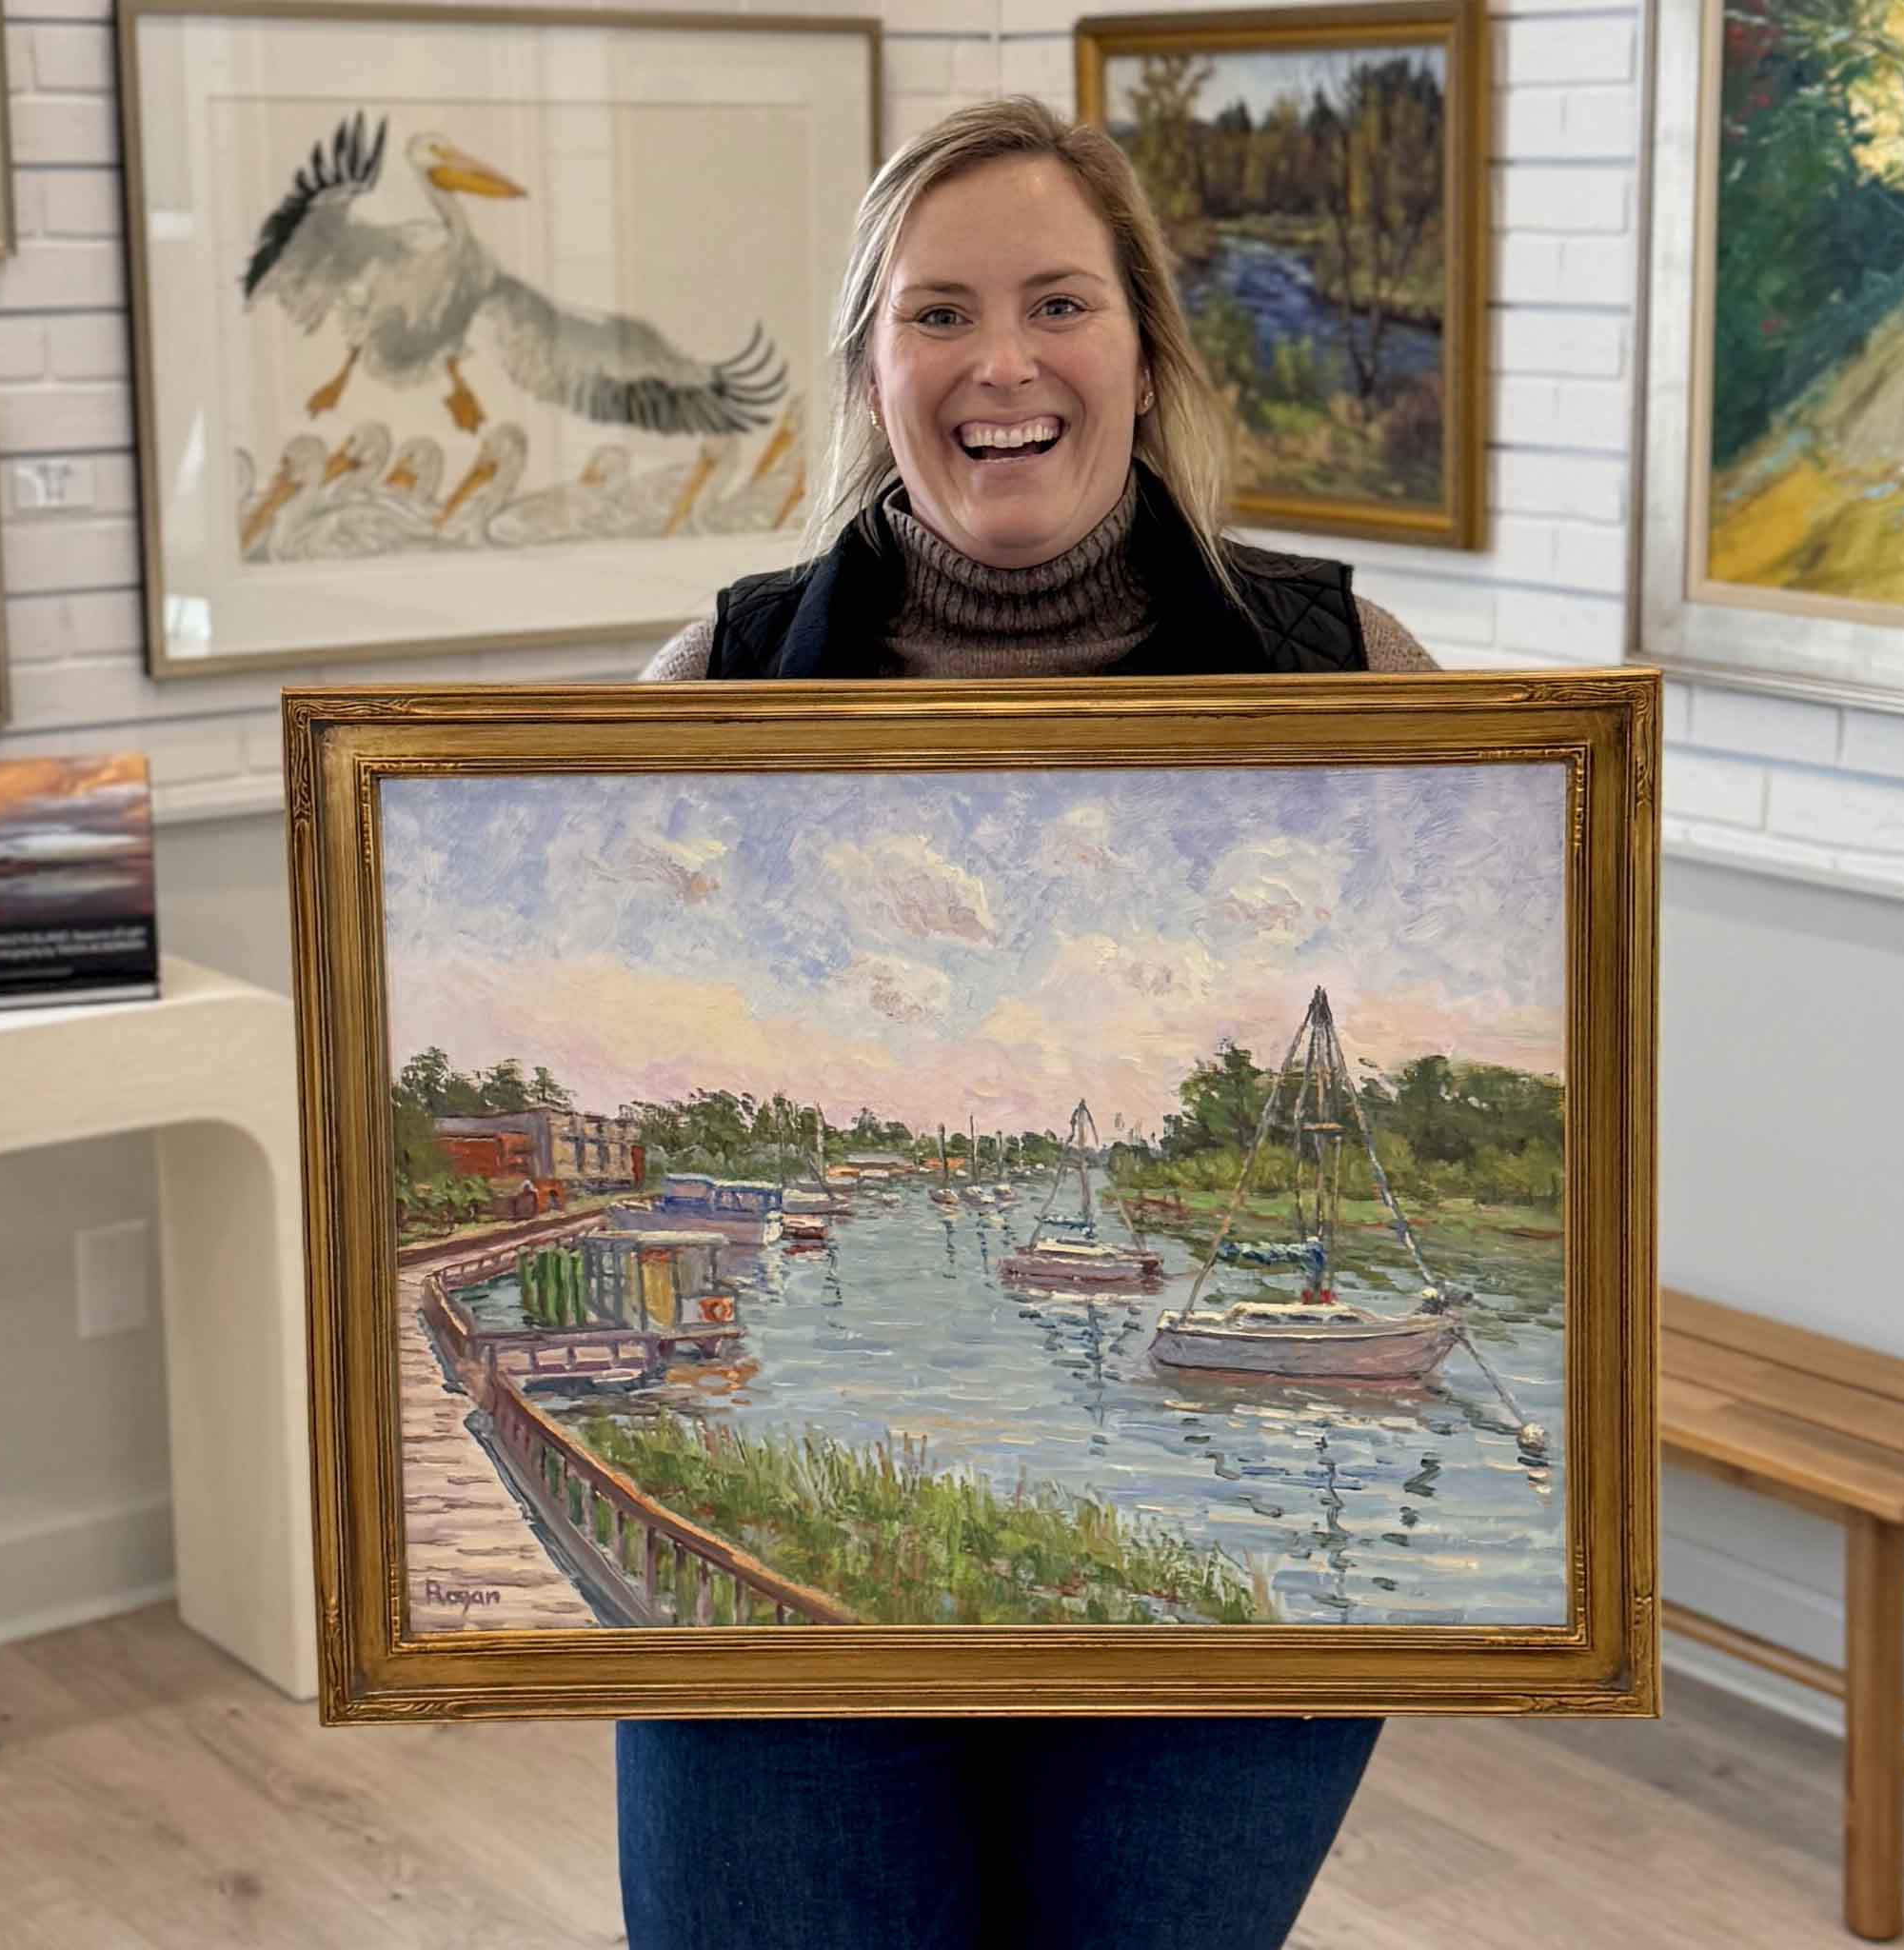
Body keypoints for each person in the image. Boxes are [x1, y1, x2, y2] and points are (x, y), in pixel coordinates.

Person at [622, 95, 1428, 1950]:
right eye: (939, 314)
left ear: (1146, 352)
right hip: (778, 1621)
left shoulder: (1349, 671)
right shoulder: (716, 682)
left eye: (1060, 303)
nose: (1003, 364)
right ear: (871, 369)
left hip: (1237, 1619)